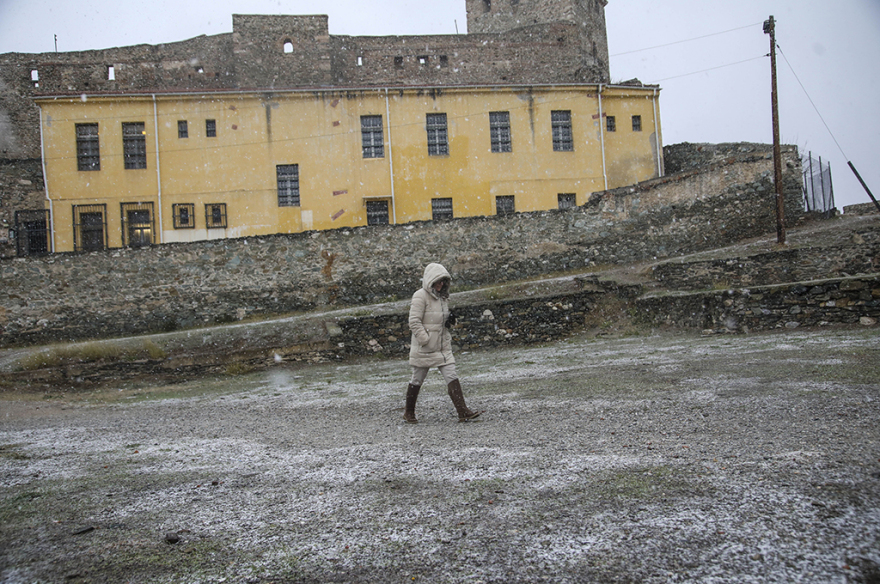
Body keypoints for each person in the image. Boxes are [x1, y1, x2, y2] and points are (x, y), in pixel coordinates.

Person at [403, 263, 483, 423]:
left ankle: (463, 411)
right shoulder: (420, 295)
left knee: (451, 374)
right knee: (417, 379)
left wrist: (449, 319)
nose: (441, 284)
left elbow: (437, 320)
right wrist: (425, 339)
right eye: (438, 281)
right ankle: (409, 413)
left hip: (442, 346)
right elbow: (414, 321)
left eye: (443, 282)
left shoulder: (442, 298)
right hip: (424, 348)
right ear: (431, 280)